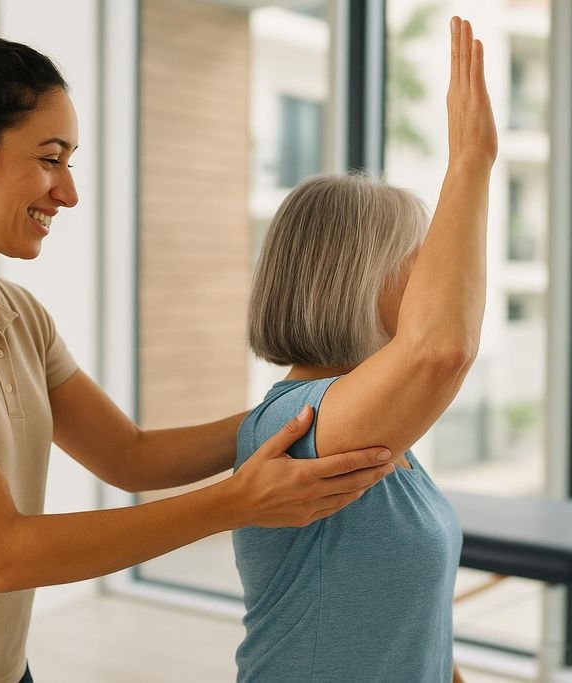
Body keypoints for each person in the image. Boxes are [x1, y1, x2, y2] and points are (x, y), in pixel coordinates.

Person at [0, 35, 396, 683]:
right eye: (51, 160)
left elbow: (128, 453)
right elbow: (0, 553)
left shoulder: (17, 314)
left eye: (71, 163)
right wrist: (236, 501)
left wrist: (307, 409)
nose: (69, 194)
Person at [231, 16, 497, 683]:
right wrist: (470, 161)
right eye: (418, 261)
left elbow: (409, 617)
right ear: (357, 282)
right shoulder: (297, 428)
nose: (431, 279)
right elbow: (440, 349)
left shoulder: (380, 423)